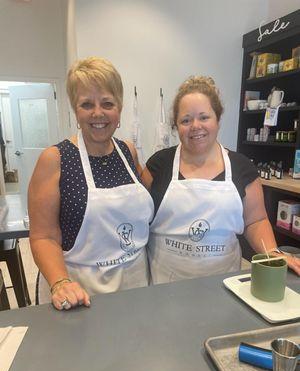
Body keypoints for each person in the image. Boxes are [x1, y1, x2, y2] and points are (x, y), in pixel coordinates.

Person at [142, 76, 300, 284]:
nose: (195, 126)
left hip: (222, 285)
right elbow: (139, 217)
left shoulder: (242, 168)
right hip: (164, 285)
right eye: (186, 120)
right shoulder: (158, 165)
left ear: (218, 119)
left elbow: (256, 220)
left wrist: (272, 251)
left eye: (204, 117)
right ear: (176, 126)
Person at [28, 56, 154, 310]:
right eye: (87, 104)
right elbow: (43, 236)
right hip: (81, 291)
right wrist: (61, 282)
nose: (98, 113)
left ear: (119, 108)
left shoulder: (128, 150)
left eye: (107, 103)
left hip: (136, 284)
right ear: (76, 110)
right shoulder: (55, 159)